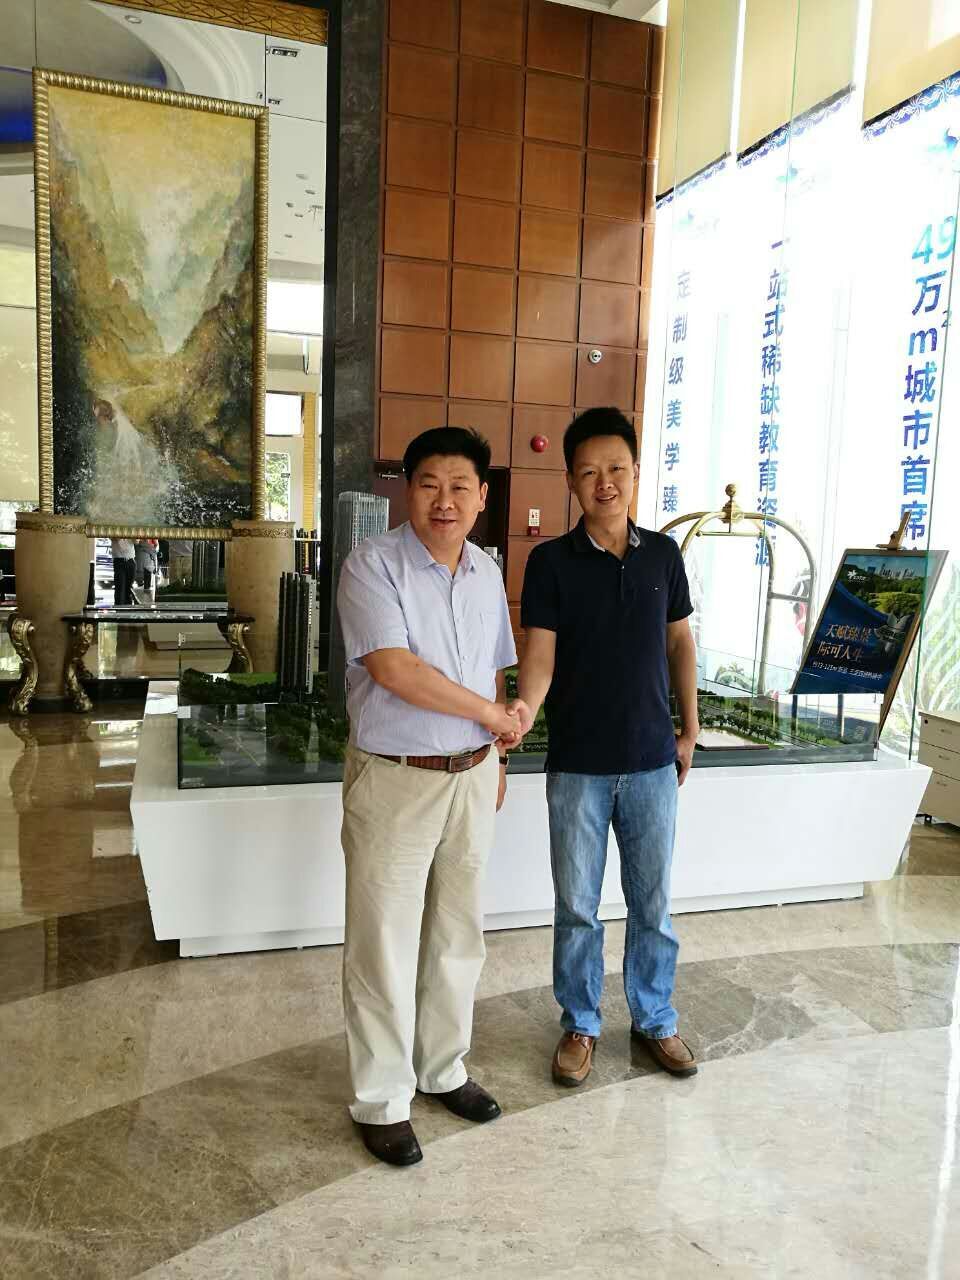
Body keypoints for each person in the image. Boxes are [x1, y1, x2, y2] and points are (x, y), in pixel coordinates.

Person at [336, 426, 527, 1168]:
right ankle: (382, 1099)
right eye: (428, 484)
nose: (443, 500)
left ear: (482, 497)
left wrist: (496, 751)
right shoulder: (372, 564)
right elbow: (394, 668)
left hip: (472, 775)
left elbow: (496, 669)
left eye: (459, 487)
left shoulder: (485, 571)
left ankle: (443, 1069)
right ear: (406, 490)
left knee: (458, 931)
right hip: (396, 776)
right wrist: (490, 716)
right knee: (382, 942)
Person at [516, 406, 700, 1086]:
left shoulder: (664, 555)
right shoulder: (549, 563)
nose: (605, 483)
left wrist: (689, 729)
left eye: (617, 468)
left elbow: (680, 642)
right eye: (590, 472)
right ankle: (581, 1024)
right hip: (578, 767)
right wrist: (521, 713)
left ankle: (655, 1019)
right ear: (570, 480)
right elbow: (540, 656)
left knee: (653, 906)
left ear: (636, 472)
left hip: (652, 763)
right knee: (577, 909)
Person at [110, 537, 135, 606]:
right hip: (119, 560)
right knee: (120, 588)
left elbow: (136, 541)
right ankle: (119, 609)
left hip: (131, 560)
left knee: (129, 589)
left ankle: (128, 609)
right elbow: (115, 538)